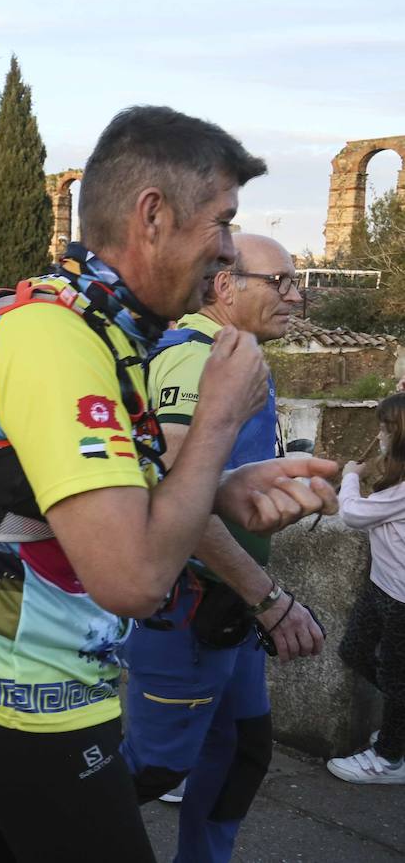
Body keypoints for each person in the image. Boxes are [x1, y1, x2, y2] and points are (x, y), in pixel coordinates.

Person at [0, 107, 339, 863]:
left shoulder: (92, 322)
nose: (229, 249)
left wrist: (224, 486)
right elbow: (133, 581)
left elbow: (93, 485)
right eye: (222, 221)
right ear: (153, 215)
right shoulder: (59, 341)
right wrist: (218, 418)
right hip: (29, 700)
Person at [120, 233, 325, 860]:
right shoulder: (194, 359)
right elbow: (172, 492)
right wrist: (269, 599)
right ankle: (9, 840)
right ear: (227, 286)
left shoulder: (234, 354)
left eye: (297, 282)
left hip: (227, 609)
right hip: (186, 611)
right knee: (150, 770)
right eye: (280, 281)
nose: (295, 296)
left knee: (242, 752)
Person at [328, 393, 405, 785]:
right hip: (383, 588)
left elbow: (353, 514)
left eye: (386, 428)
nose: (380, 435)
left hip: (401, 600)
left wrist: (350, 476)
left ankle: (389, 759)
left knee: (395, 679)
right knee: (355, 650)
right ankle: (398, 721)